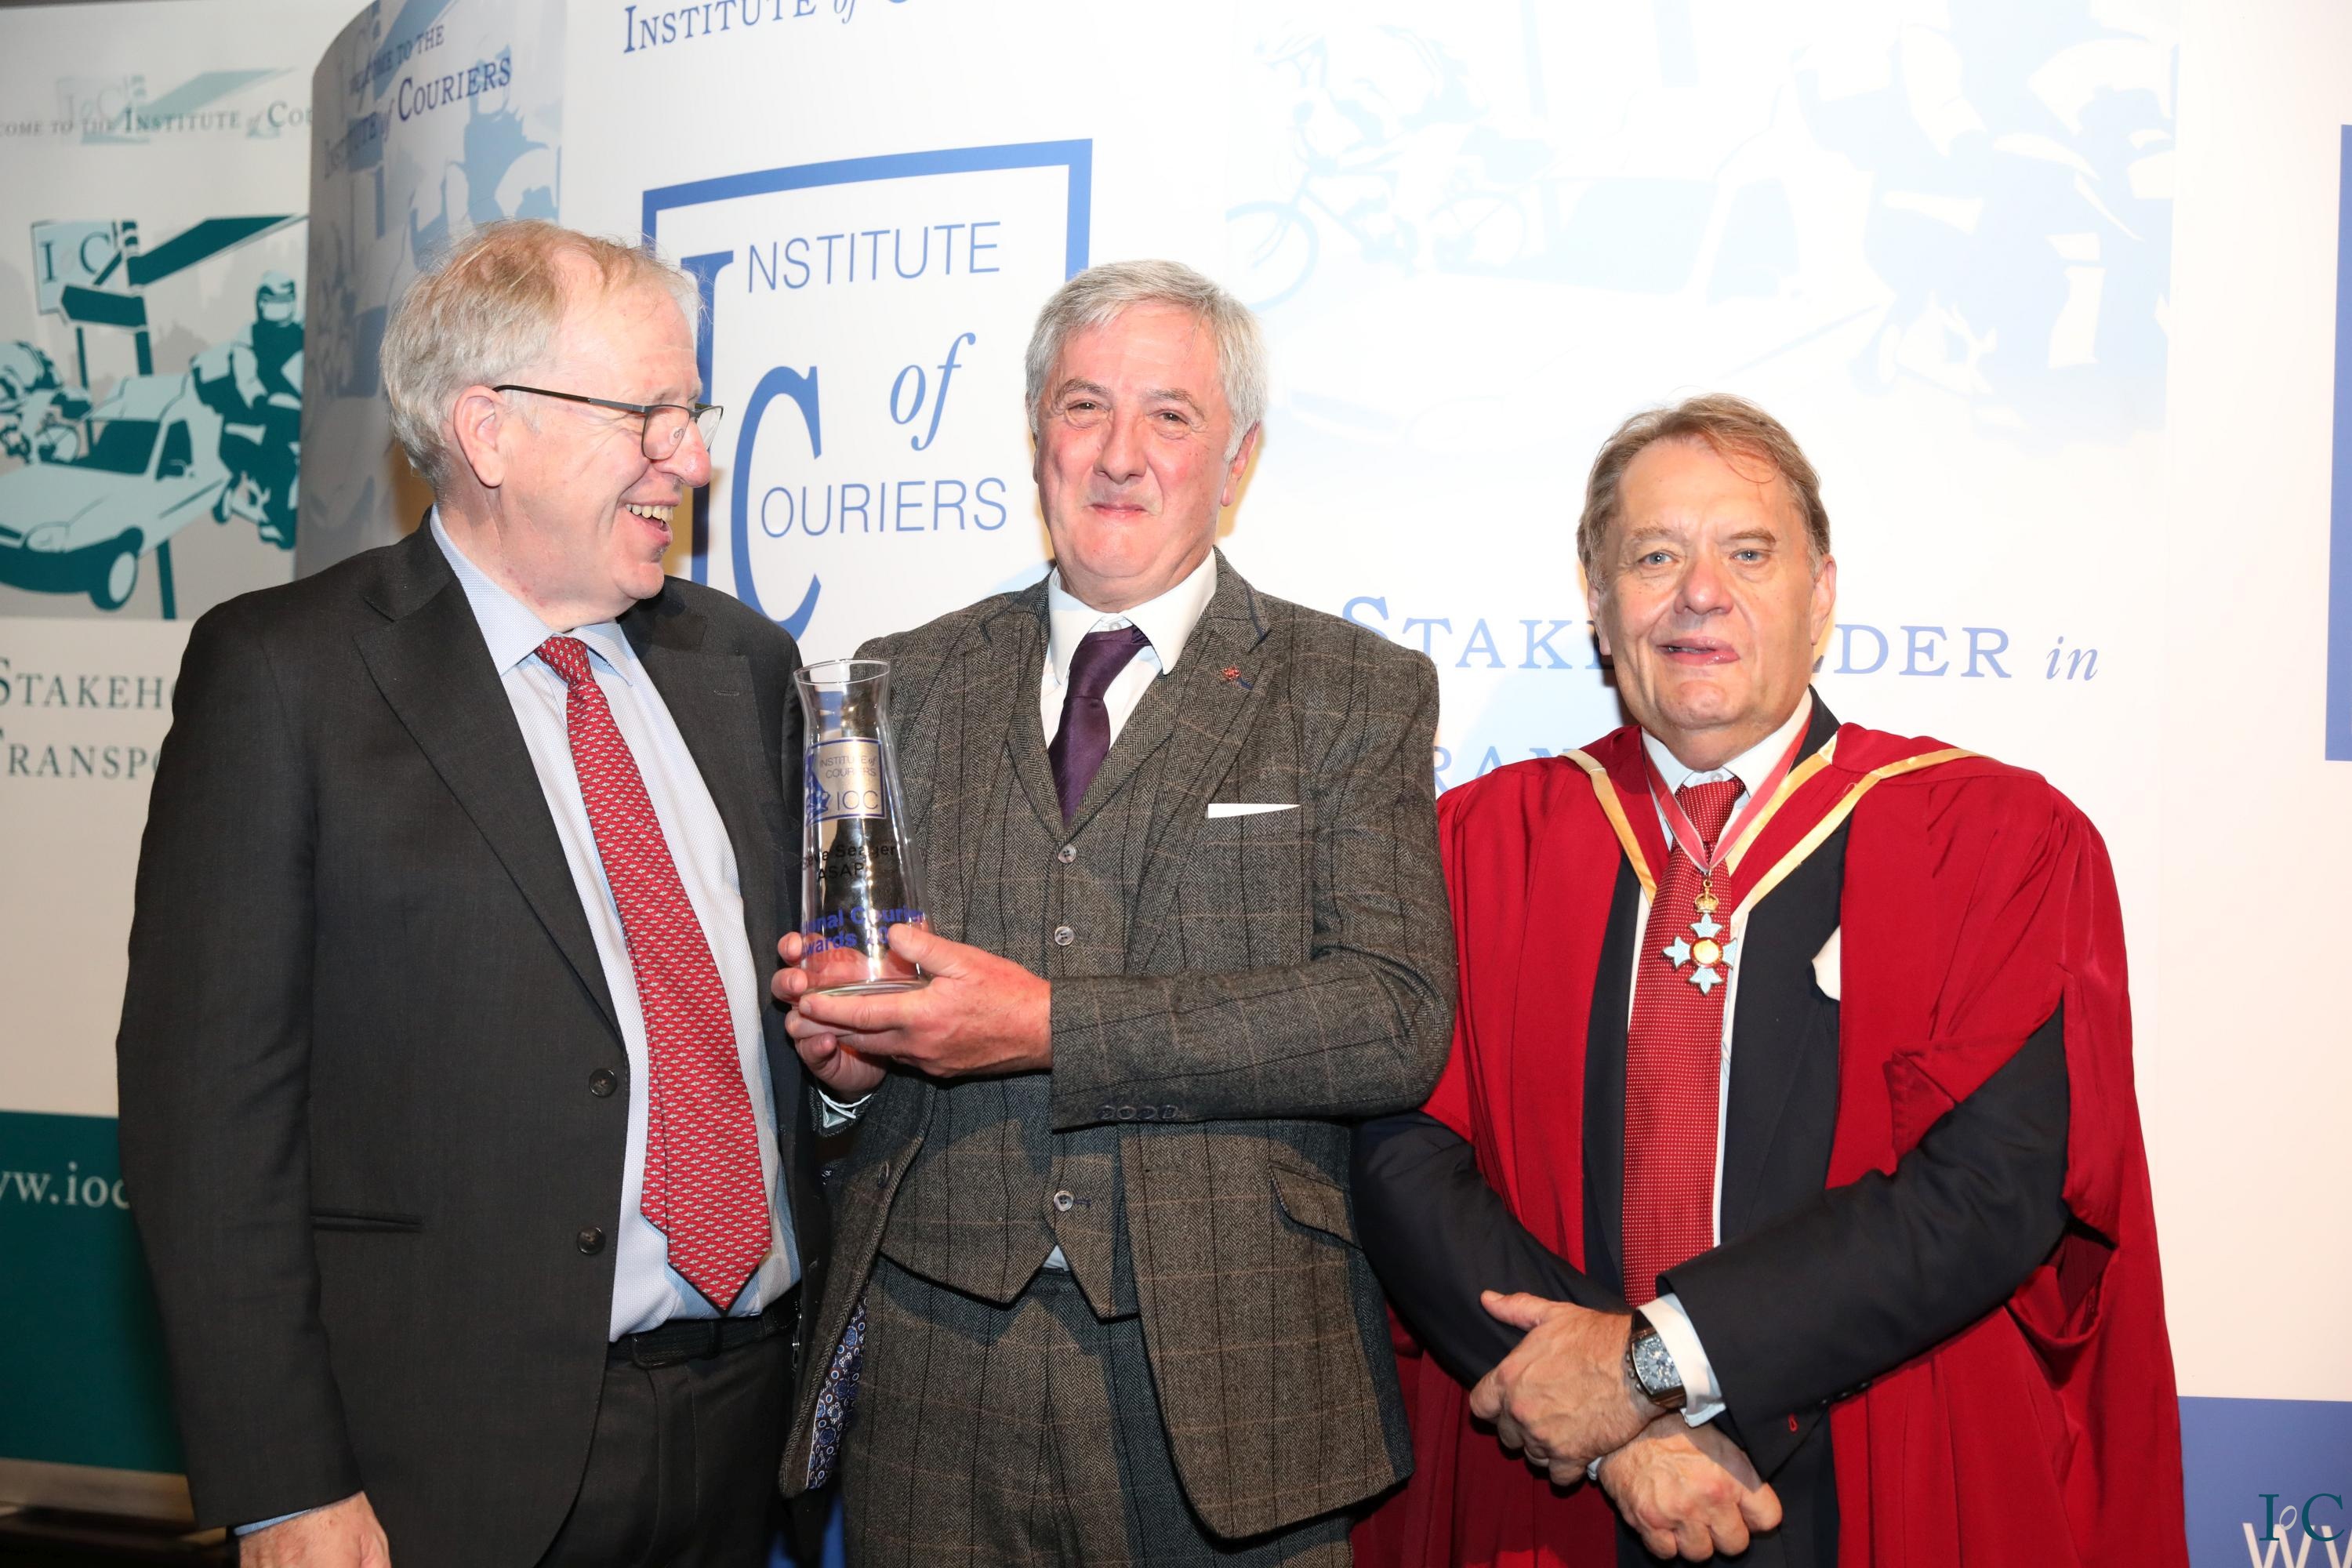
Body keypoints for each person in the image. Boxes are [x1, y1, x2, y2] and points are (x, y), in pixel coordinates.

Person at [1348, 395, 2186, 1566]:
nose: (1701, 593)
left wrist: (1647, 1369)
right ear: (1597, 601)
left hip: (1879, 1469)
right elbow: (1401, 1160)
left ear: (1822, 592)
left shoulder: (1994, 842)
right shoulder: (1477, 847)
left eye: (1749, 553)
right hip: (1558, 1491)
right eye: (1654, 556)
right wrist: (1617, 1431)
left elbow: (1993, 1190)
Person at [117, 220, 826, 1566]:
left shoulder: (741, 664)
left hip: (746, 1431)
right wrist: (286, 1486)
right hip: (437, 1464)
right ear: (489, 429)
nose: (692, 457)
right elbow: (207, 1123)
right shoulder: (286, 677)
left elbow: (779, 1032)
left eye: (693, 413)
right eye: (650, 415)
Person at [769, 259, 1457, 1565]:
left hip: (1234, 1369)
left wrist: (1053, 1027)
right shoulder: (899, 684)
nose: (1120, 454)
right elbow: (847, 1028)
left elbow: (1391, 1017)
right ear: (1039, 438)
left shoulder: (1354, 690)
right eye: (1085, 406)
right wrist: (849, 1073)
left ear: (1237, 461)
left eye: (1170, 416)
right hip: (934, 1372)